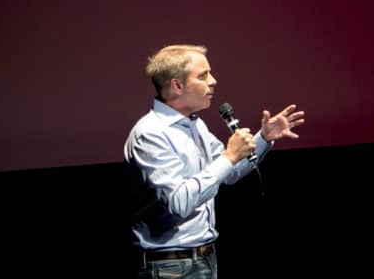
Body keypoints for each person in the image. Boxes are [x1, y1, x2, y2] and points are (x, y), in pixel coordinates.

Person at [124, 44, 305, 278]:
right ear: (177, 86)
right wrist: (229, 156)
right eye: (203, 75)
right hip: (170, 266)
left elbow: (229, 173)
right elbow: (179, 203)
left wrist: (263, 138)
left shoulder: (195, 124)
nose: (213, 81)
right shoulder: (150, 134)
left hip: (203, 258)